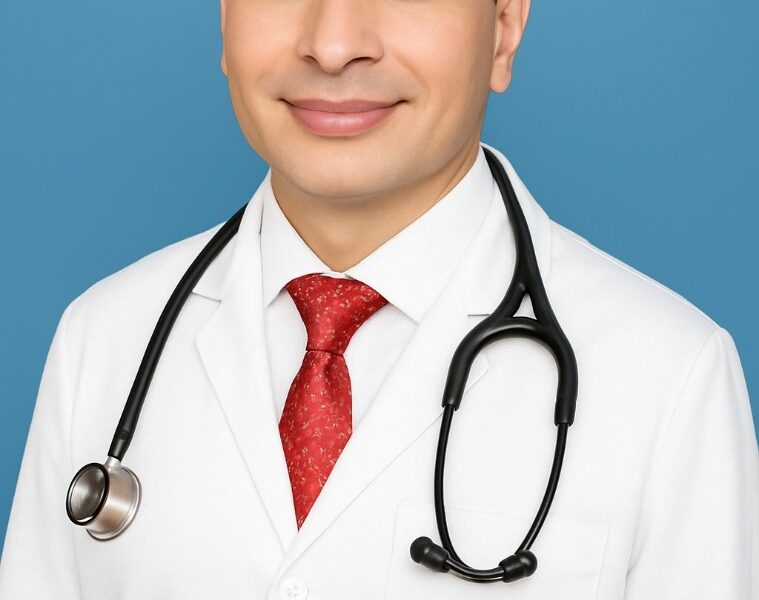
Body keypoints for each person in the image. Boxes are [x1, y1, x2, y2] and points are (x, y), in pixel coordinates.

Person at [1, 0, 757, 598]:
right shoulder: (104, 337)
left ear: (503, 28)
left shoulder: (670, 377)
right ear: (224, 19)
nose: (333, 45)